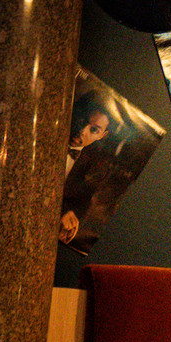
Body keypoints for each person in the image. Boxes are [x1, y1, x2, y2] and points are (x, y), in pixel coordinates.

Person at [60, 91, 115, 244]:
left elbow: (83, 201)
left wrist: (68, 214)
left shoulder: (96, 165)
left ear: (102, 135)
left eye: (94, 130)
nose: (82, 131)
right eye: (83, 120)